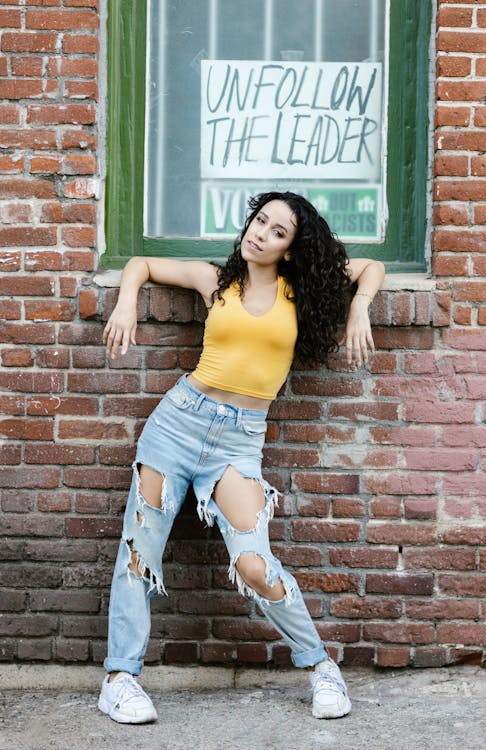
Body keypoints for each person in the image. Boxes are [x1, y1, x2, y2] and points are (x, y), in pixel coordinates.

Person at [98, 191, 385, 724]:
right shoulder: (215, 281)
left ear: (292, 249)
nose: (262, 233)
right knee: (140, 553)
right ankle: (120, 678)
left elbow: (372, 268)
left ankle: (320, 667)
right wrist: (124, 302)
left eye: (279, 231)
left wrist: (360, 310)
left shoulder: (298, 290)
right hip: (177, 424)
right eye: (260, 221)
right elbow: (139, 263)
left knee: (254, 564)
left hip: (238, 443)